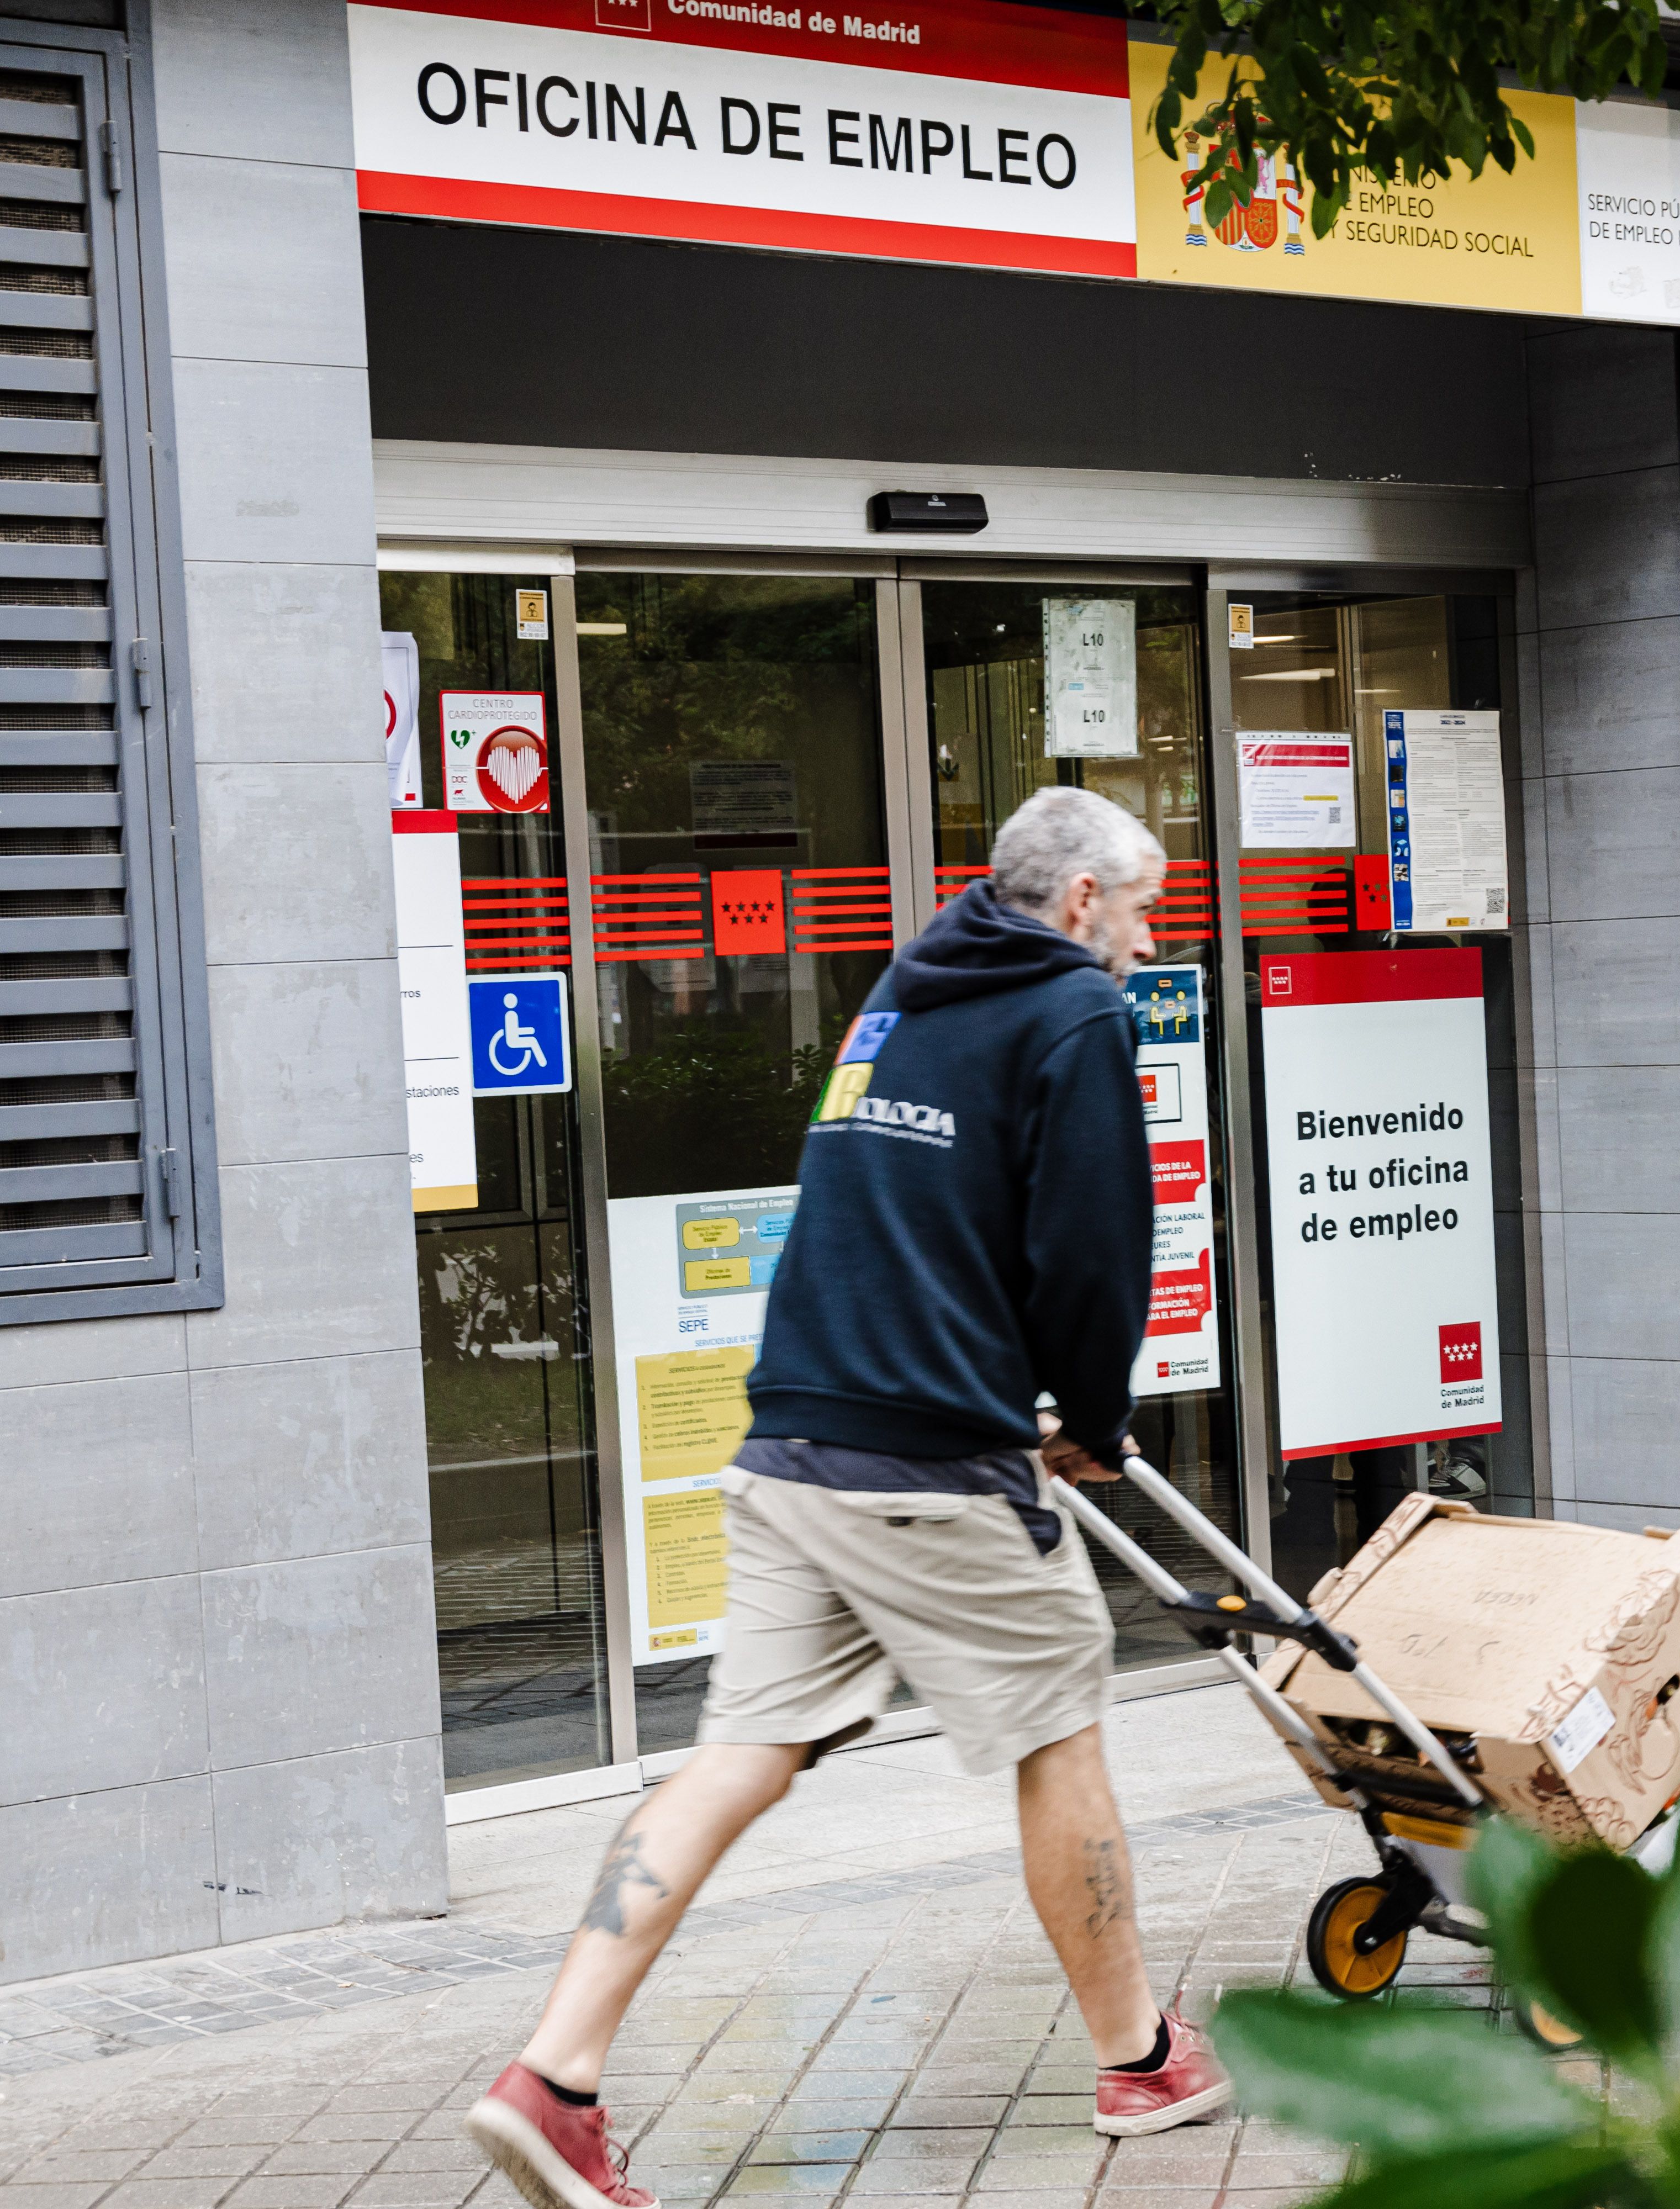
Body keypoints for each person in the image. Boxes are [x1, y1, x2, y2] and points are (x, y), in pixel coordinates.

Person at [466, 788, 1227, 2209]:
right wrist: (1102, 1421)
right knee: (1059, 1725)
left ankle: (552, 2076)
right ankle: (1142, 2056)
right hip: (932, 1458)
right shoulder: (1072, 1016)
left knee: (736, 1755)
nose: (1146, 929)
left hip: (793, 1437)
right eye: (1142, 901)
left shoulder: (908, 987)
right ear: (1078, 901)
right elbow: (1091, 1254)